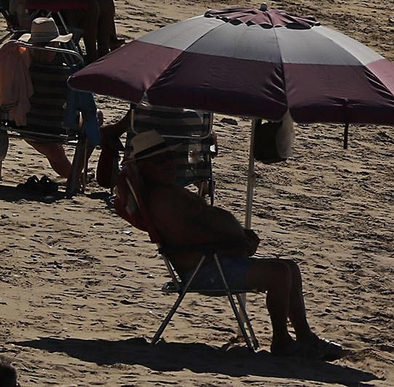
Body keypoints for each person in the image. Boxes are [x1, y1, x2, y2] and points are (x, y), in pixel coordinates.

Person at [128, 131, 343, 359]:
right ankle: (282, 341)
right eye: (159, 160)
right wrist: (236, 243)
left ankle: (304, 336)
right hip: (205, 269)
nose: (168, 164)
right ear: (144, 167)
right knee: (279, 274)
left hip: (216, 259)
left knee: (291, 268)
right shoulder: (162, 200)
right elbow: (192, 238)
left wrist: (238, 237)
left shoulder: (169, 192)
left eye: (169, 157)